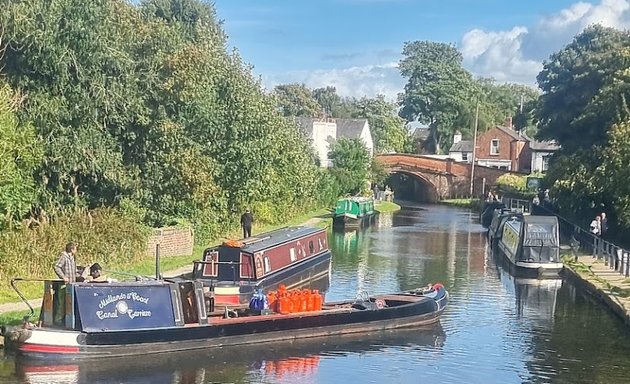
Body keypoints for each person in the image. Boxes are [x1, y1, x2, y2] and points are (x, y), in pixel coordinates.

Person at [53, 242, 78, 325]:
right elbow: (57, 266)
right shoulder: (64, 256)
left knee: (69, 302)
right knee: (62, 302)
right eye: (75, 248)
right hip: (64, 284)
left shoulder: (72, 258)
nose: (76, 250)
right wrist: (63, 277)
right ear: (71, 249)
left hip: (72, 284)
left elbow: (73, 270)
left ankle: (67, 320)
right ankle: (58, 320)